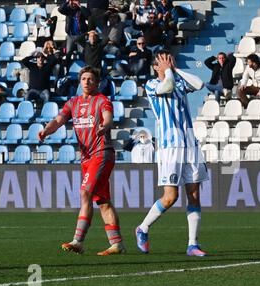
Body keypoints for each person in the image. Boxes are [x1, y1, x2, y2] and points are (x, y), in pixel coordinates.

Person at [38, 66, 125, 256]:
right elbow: (58, 120)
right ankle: (116, 244)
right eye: (84, 79)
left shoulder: (102, 100)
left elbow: (109, 117)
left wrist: (105, 125)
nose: (87, 82)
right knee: (102, 201)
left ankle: (78, 241)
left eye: (90, 79)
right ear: (80, 82)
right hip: (86, 157)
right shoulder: (73, 103)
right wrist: (46, 130)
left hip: (102, 152)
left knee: (85, 192)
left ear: (97, 82)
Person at [135, 50, 209, 257]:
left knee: (194, 195)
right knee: (170, 197)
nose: (168, 62)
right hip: (170, 146)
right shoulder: (152, 85)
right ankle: (143, 228)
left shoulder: (178, 82)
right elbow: (165, 86)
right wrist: (169, 73)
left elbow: (199, 84)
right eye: (163, 61)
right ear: (155, 67)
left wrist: (175, 70)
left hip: (190, 144)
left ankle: (192, 244)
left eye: (170, 58)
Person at [58, 0, 91, 68]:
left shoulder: (81, 9)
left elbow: (88, 15)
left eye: (75, 2)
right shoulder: (68, 10)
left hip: (81, 35)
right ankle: (67, 69)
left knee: (81, 53)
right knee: (68, 53)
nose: (74, 4)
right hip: (71, 35)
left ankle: (83, 69)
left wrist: (80, 6)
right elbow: (60, 9)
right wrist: (67, 2)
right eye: (72, 2)